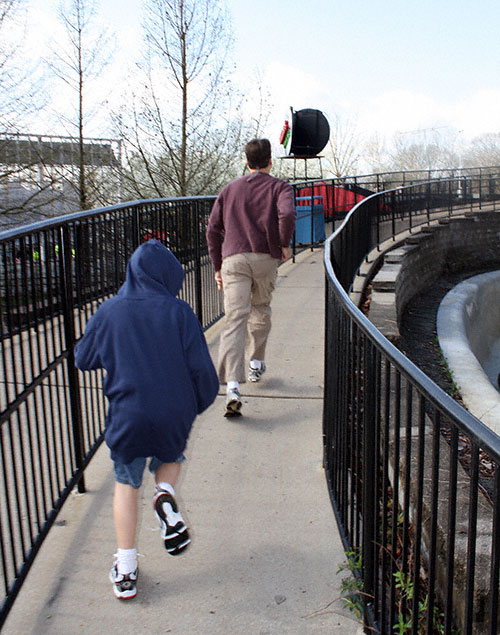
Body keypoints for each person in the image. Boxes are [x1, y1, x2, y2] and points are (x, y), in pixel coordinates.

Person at [74, 239, 219, 600]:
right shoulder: (180, 311)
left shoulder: (109, 311)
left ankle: (125, 570)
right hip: (173, 412)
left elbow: (83, 358)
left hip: (128, 416)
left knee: (126, 483)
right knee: (170, 457)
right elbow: (203, 373)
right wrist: (192, 407)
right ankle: (165, 496)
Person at [206, 138, 296, 416]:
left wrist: (218, 266)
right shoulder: (280, 187)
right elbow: (288, 213)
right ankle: (255, 363)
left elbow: (212, 230)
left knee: (234, 319)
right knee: (260, 308)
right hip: (265, 257)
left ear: (246, 162)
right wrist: (283, 243)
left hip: (233, 258)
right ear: (270, 160)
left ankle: (232, 385)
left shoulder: (229, 189)